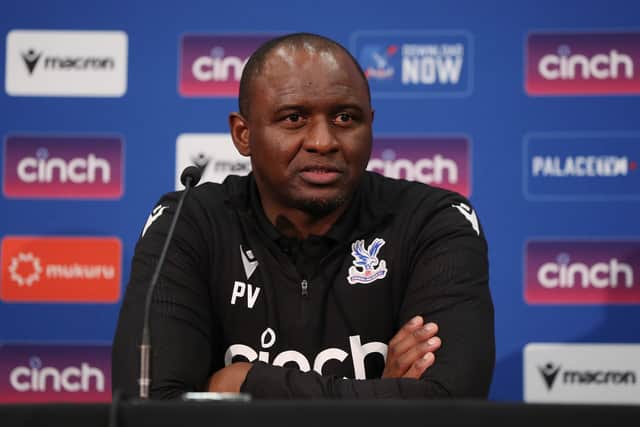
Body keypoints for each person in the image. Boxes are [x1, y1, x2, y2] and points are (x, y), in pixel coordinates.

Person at [111, 32, 495, 399]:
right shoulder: (190, 222)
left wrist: (245, 383)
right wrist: (384, 399)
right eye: (293, 118)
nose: (323, 141)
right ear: (243, 134)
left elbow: (450, 401)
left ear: (370, 125)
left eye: (345, 118)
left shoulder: (433, 222)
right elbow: (150, 402)